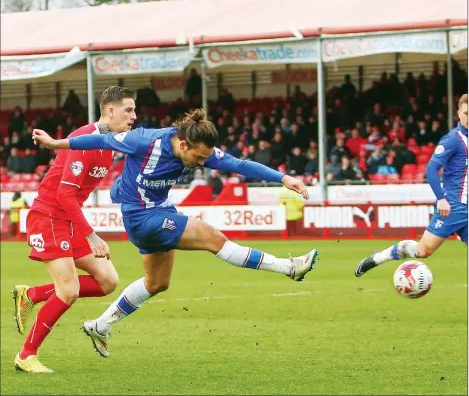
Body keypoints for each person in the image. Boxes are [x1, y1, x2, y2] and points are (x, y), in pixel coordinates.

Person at [32, 109, 319, 359]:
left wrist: (284, 178)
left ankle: (101, 325)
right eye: (199, 157)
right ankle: (288, 267)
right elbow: (99, 138)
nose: (202, 162)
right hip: (142, 218)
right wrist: (57, 143)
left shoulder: (198, 148)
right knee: (212, 237)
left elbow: (239, 165)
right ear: (183, 144)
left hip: (161, 212)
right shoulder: (143, 140)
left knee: (157, 283)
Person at [13, 86, 137, 373]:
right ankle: (26, 355)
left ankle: (32, 295)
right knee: (68, 292)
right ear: (111, 111)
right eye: (128, 110)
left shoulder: (113, 142)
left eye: (134, 110)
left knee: (107, 280)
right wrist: (91, 235)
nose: (134, 116)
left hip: (67, 221)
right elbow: (64, 196)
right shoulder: (84, 139)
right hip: (49, 218)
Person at [355, 94, 468, 277]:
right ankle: (380, 257)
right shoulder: (453, 140)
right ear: (458, 114)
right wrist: (441, 199)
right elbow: (431, 169)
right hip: (453, 206)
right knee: (423, 250)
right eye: (466, 113)